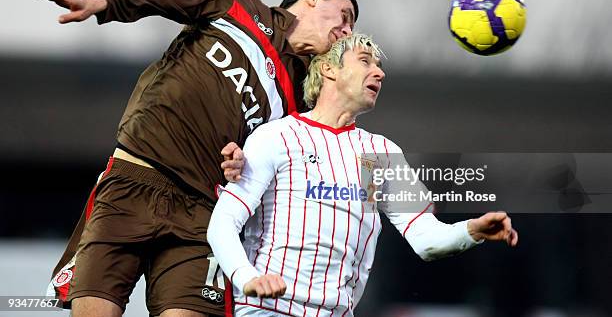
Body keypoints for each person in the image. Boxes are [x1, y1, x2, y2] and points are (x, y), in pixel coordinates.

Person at [29, 0, 357, 317]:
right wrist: (104, 2)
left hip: (202, 213)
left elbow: (272, 169)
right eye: (344, 16)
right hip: (136, 178)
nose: (346, 31)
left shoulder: (302, 99)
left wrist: (244, 163)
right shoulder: (235, 1)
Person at [207, 34, 519, 316]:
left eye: (380, 66)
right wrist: (248, 278)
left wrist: (472, 231)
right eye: (365, 61)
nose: (380, 73)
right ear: (329, 70)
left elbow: (425, 238)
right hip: (269, 309)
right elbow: (223, 223)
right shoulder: (278, 137)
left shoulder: (378, 154)